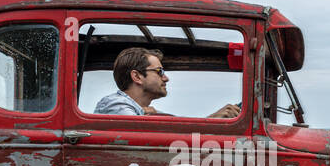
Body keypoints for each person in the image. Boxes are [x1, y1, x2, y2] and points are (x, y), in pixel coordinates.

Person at [94, 46, 240, 118]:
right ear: (137, 77)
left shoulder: (142, 111)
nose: (166, 78)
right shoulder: (114, 104)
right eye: (159, 72)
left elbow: (180, 128)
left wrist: (213, 119)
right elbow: (146, 134)